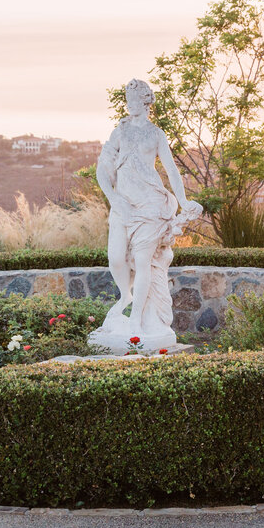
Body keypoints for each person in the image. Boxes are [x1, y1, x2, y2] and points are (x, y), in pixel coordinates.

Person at [90, 79, 202, 350]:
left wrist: (183, 199)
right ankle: (125, 299)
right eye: (126, 97)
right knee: (116, 258)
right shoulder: (120, 131)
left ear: (145, 101)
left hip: (151, 203)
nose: (128, 102)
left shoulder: (156, 134)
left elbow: (171, 170)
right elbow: (103, 167)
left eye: (132, 97)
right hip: (123, 204)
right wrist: (114, 198)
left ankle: (137, 319)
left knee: (142, 261)